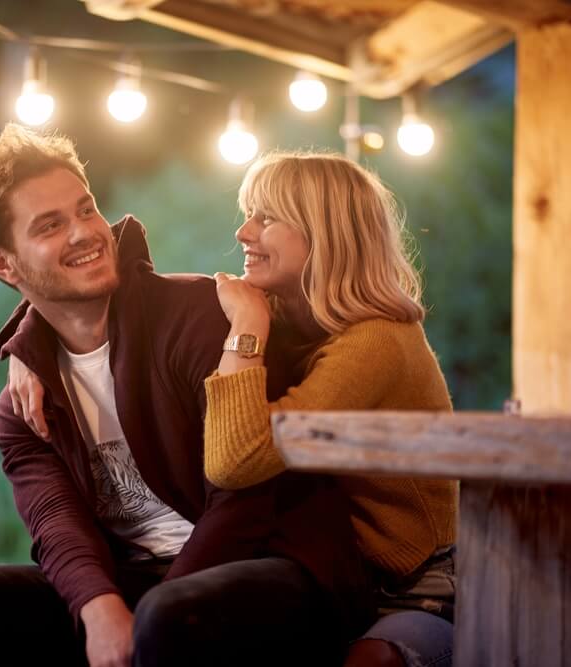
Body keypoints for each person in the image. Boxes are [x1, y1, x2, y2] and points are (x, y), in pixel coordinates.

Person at [0, 126, 372, 667]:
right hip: (135, 581)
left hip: (276, 567)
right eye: (50, 225)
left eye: (85, 209)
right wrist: (100, 608)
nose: (84, 232)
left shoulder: (203, 319)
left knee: (170, 619)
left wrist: (144, 621)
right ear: (3, 264)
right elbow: (56, 523)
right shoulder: (22, 403)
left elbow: (245, 501)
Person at [203, 151, 458, 667]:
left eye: (266, 217)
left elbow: (236, 461)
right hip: (336, 573)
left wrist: (247, 326)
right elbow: (149, 303)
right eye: (248, 213)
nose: (243, 232)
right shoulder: (287, 318)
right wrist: (31, 339)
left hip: (417, 587)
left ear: (324, 234)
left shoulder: (378, 341)